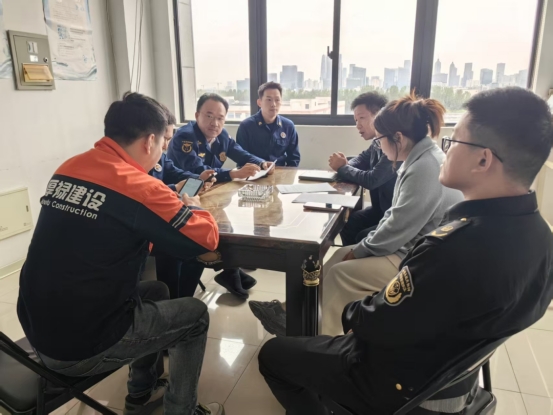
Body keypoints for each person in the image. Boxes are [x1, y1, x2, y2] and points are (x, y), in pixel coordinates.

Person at [258, 86, 553, 415]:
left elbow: (377, 322)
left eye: (454, 142)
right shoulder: (542, 240)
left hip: (405, 383)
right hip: (449, 376)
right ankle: (305, 321)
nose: (445, 151)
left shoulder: (452, 249)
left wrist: (350, 313)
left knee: (272, 355)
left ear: (483, 159)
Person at [17, 92, 224, 415]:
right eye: (163, 144)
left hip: (37, 329)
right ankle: (182, 410)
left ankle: (140, 393)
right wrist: (195, 206)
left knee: (158, 291)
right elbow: (206, 239)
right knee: (195, 316)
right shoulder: (140, 186)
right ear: (149, 141)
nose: (162, 152)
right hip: (80, 347)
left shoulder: (69, 167)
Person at [250, 93, 463, 337]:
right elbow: (396, 218)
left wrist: (361, 250)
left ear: (398, 138)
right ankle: (292, 312)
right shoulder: (418, 158)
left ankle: (318, 337)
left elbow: (397, 227)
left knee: (341, 273)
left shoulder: (425, 167)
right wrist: (360, 248)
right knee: (338, 255)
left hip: (419, 260)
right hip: (410, 247)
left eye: (380, 138)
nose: (378, 145)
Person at [166, 93, 273, 299]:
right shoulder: (184, 137)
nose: (214, 123)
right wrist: (233, 173)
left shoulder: (222, 135)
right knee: (207, 234)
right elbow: (198, 171)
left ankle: (230, 271)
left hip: (210, 194)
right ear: (197, 115)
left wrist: (261, 163)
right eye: (209, 116)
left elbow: (240, 153)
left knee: (225, 228)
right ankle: (223, 274)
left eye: (220, 118)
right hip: (185, 198)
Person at [148, 108, 217, 299]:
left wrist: (198, 178)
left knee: (194, 246)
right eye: (165, 139)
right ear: (149, 139)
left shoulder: (159, 155)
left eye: (169, 139)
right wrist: (174, 188)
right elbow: (145, 192)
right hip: (151, 225)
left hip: (161, 214)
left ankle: (182, 298)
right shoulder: (134, 162)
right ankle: (175, 301)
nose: (166, 146)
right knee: (183, 243)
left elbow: (174, 172)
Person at [328, 91, 398, 245]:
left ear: (379, 116)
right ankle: (350, 256)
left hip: (393, 214)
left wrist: (343, 168)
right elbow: (361, 159)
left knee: (361, 234)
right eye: (355, 120)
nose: (357, 125)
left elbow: (372, 180)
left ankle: (358, 256)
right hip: (379, 210)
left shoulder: (393, 145)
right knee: (349, 222)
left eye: (362, 118)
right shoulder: (377, 141)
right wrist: (345, 165)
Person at [236, 81, 300, 166]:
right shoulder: (246, 126)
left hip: (281, 172)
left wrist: (287, 173)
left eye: (277, 100)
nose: (273, 104)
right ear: (259, 102)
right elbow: (241, 157)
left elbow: (294, 159)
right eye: (269, 100)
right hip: (254, 171)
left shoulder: (288, 126)